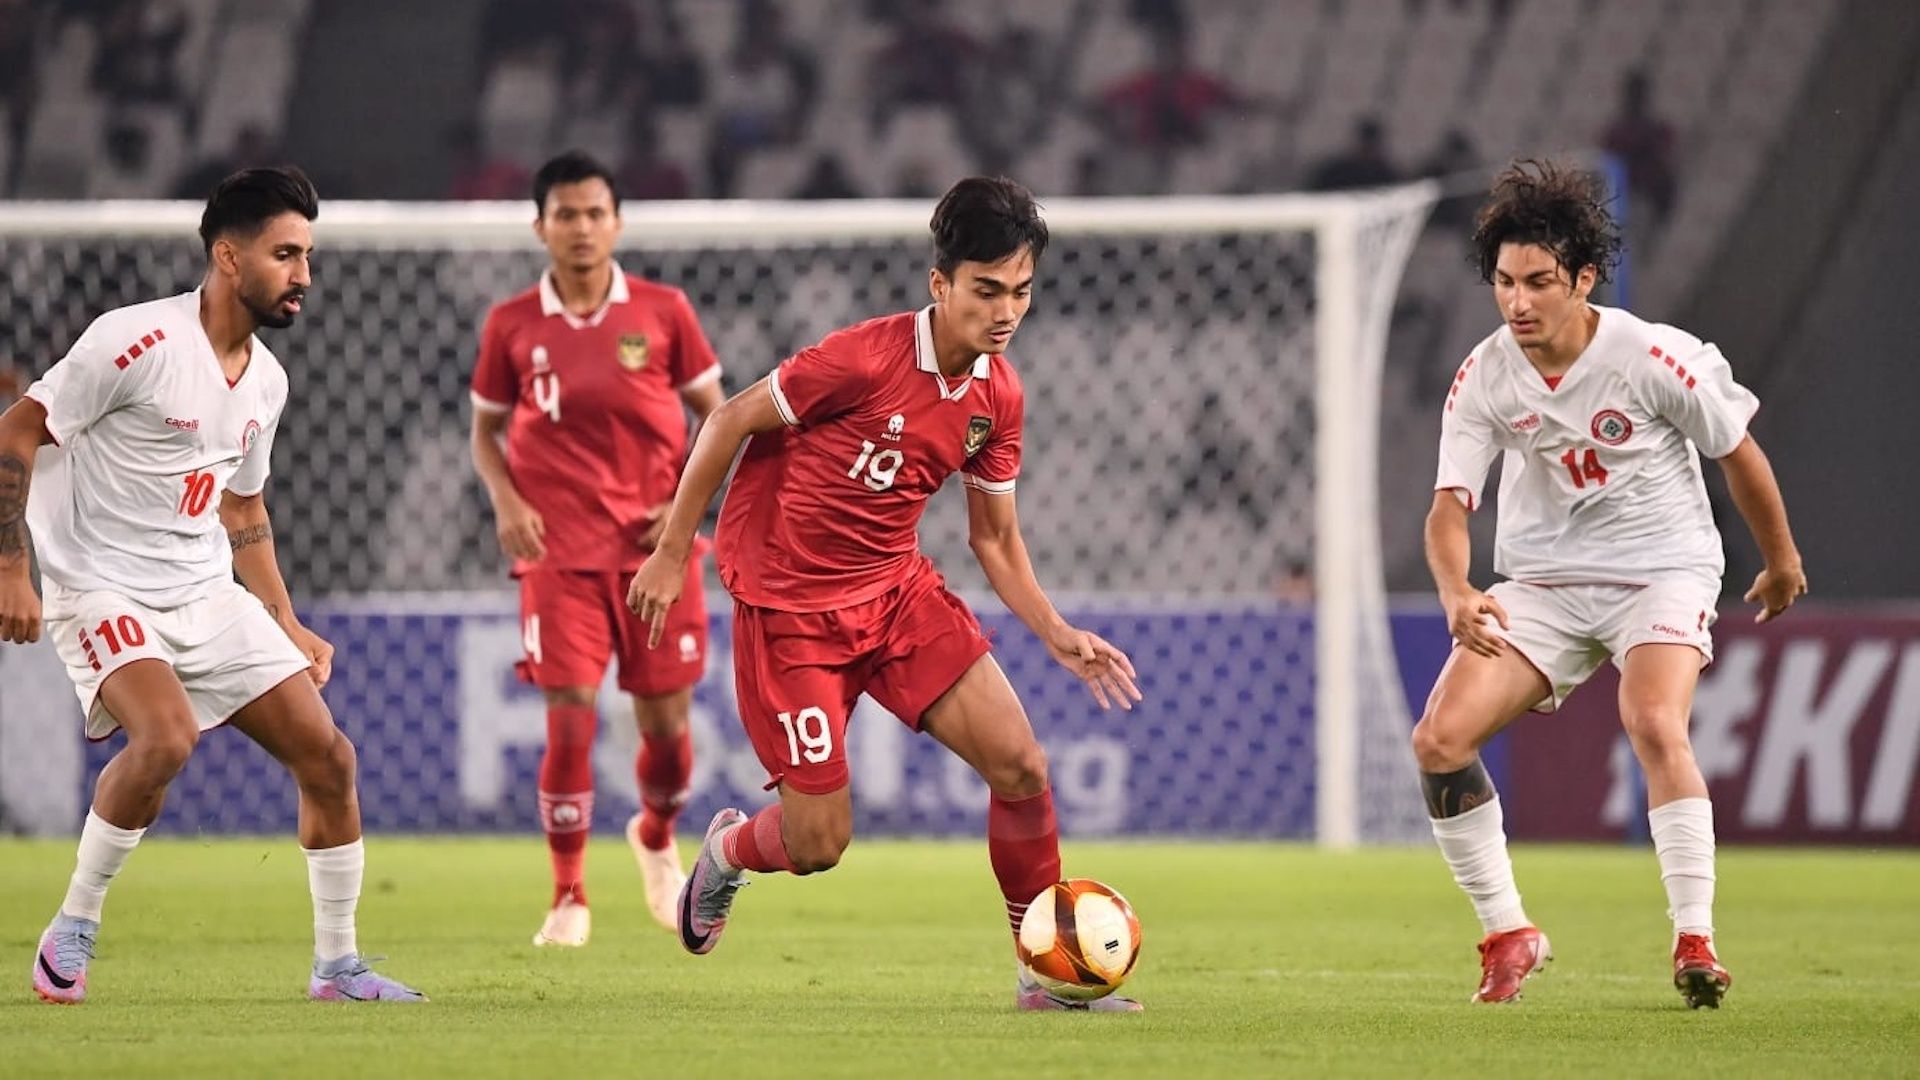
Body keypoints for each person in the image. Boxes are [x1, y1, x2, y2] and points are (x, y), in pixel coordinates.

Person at [626, 176, 1146, 1012]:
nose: (1005, 311)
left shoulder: (997, 395)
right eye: (986, 291)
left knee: (1021, 765)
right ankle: (726, 854)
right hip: (792, 613)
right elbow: (727, 421)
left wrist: (1053, 629)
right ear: (940, 285)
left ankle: (1044, 976)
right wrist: (670, 549)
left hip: (897, 595)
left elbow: (994, 537)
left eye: (1021, 291)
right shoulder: (860, 359)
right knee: (819, 842)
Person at [0, 167, 424, 1004]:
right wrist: (12, 566)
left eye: (307, 256)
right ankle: (73, 929)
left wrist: (287, 622)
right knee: (164, 740)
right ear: (228, 257)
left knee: (331, 759)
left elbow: (242, 506)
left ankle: (337, 968)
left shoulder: (267, 381)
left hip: (205, 591)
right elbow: (16, 429)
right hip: (102, 590)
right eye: (286, 253)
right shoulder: (136, 342)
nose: (303, 274)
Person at [1415, 160, 1805, 1008]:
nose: (1518, 302)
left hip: (1659, 570)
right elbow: (1449, 507)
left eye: (1540, 283)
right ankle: (1507, 933)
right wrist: (1457, 589)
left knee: (1653, 720)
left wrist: (1780, 560)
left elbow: (1738, 453)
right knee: (1439, 743)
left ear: (1584, 278)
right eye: (1505, 283)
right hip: (1545, 582)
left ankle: (1694, 939)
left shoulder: (1650, 356)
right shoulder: (1485, 374)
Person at [470, 151, 724, 947]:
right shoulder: (510, 323)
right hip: (558, 553)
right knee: (570, 718)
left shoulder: (662, 310)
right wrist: (507, 498)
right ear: (540, 225)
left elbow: (720, 420)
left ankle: (653, 832)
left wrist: (681, 512)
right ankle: (569, 895)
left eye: (594, 213)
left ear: (616, 222)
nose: (580, 228)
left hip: (655, 557)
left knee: (668, 738)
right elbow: (484, 432)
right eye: (565, 214)